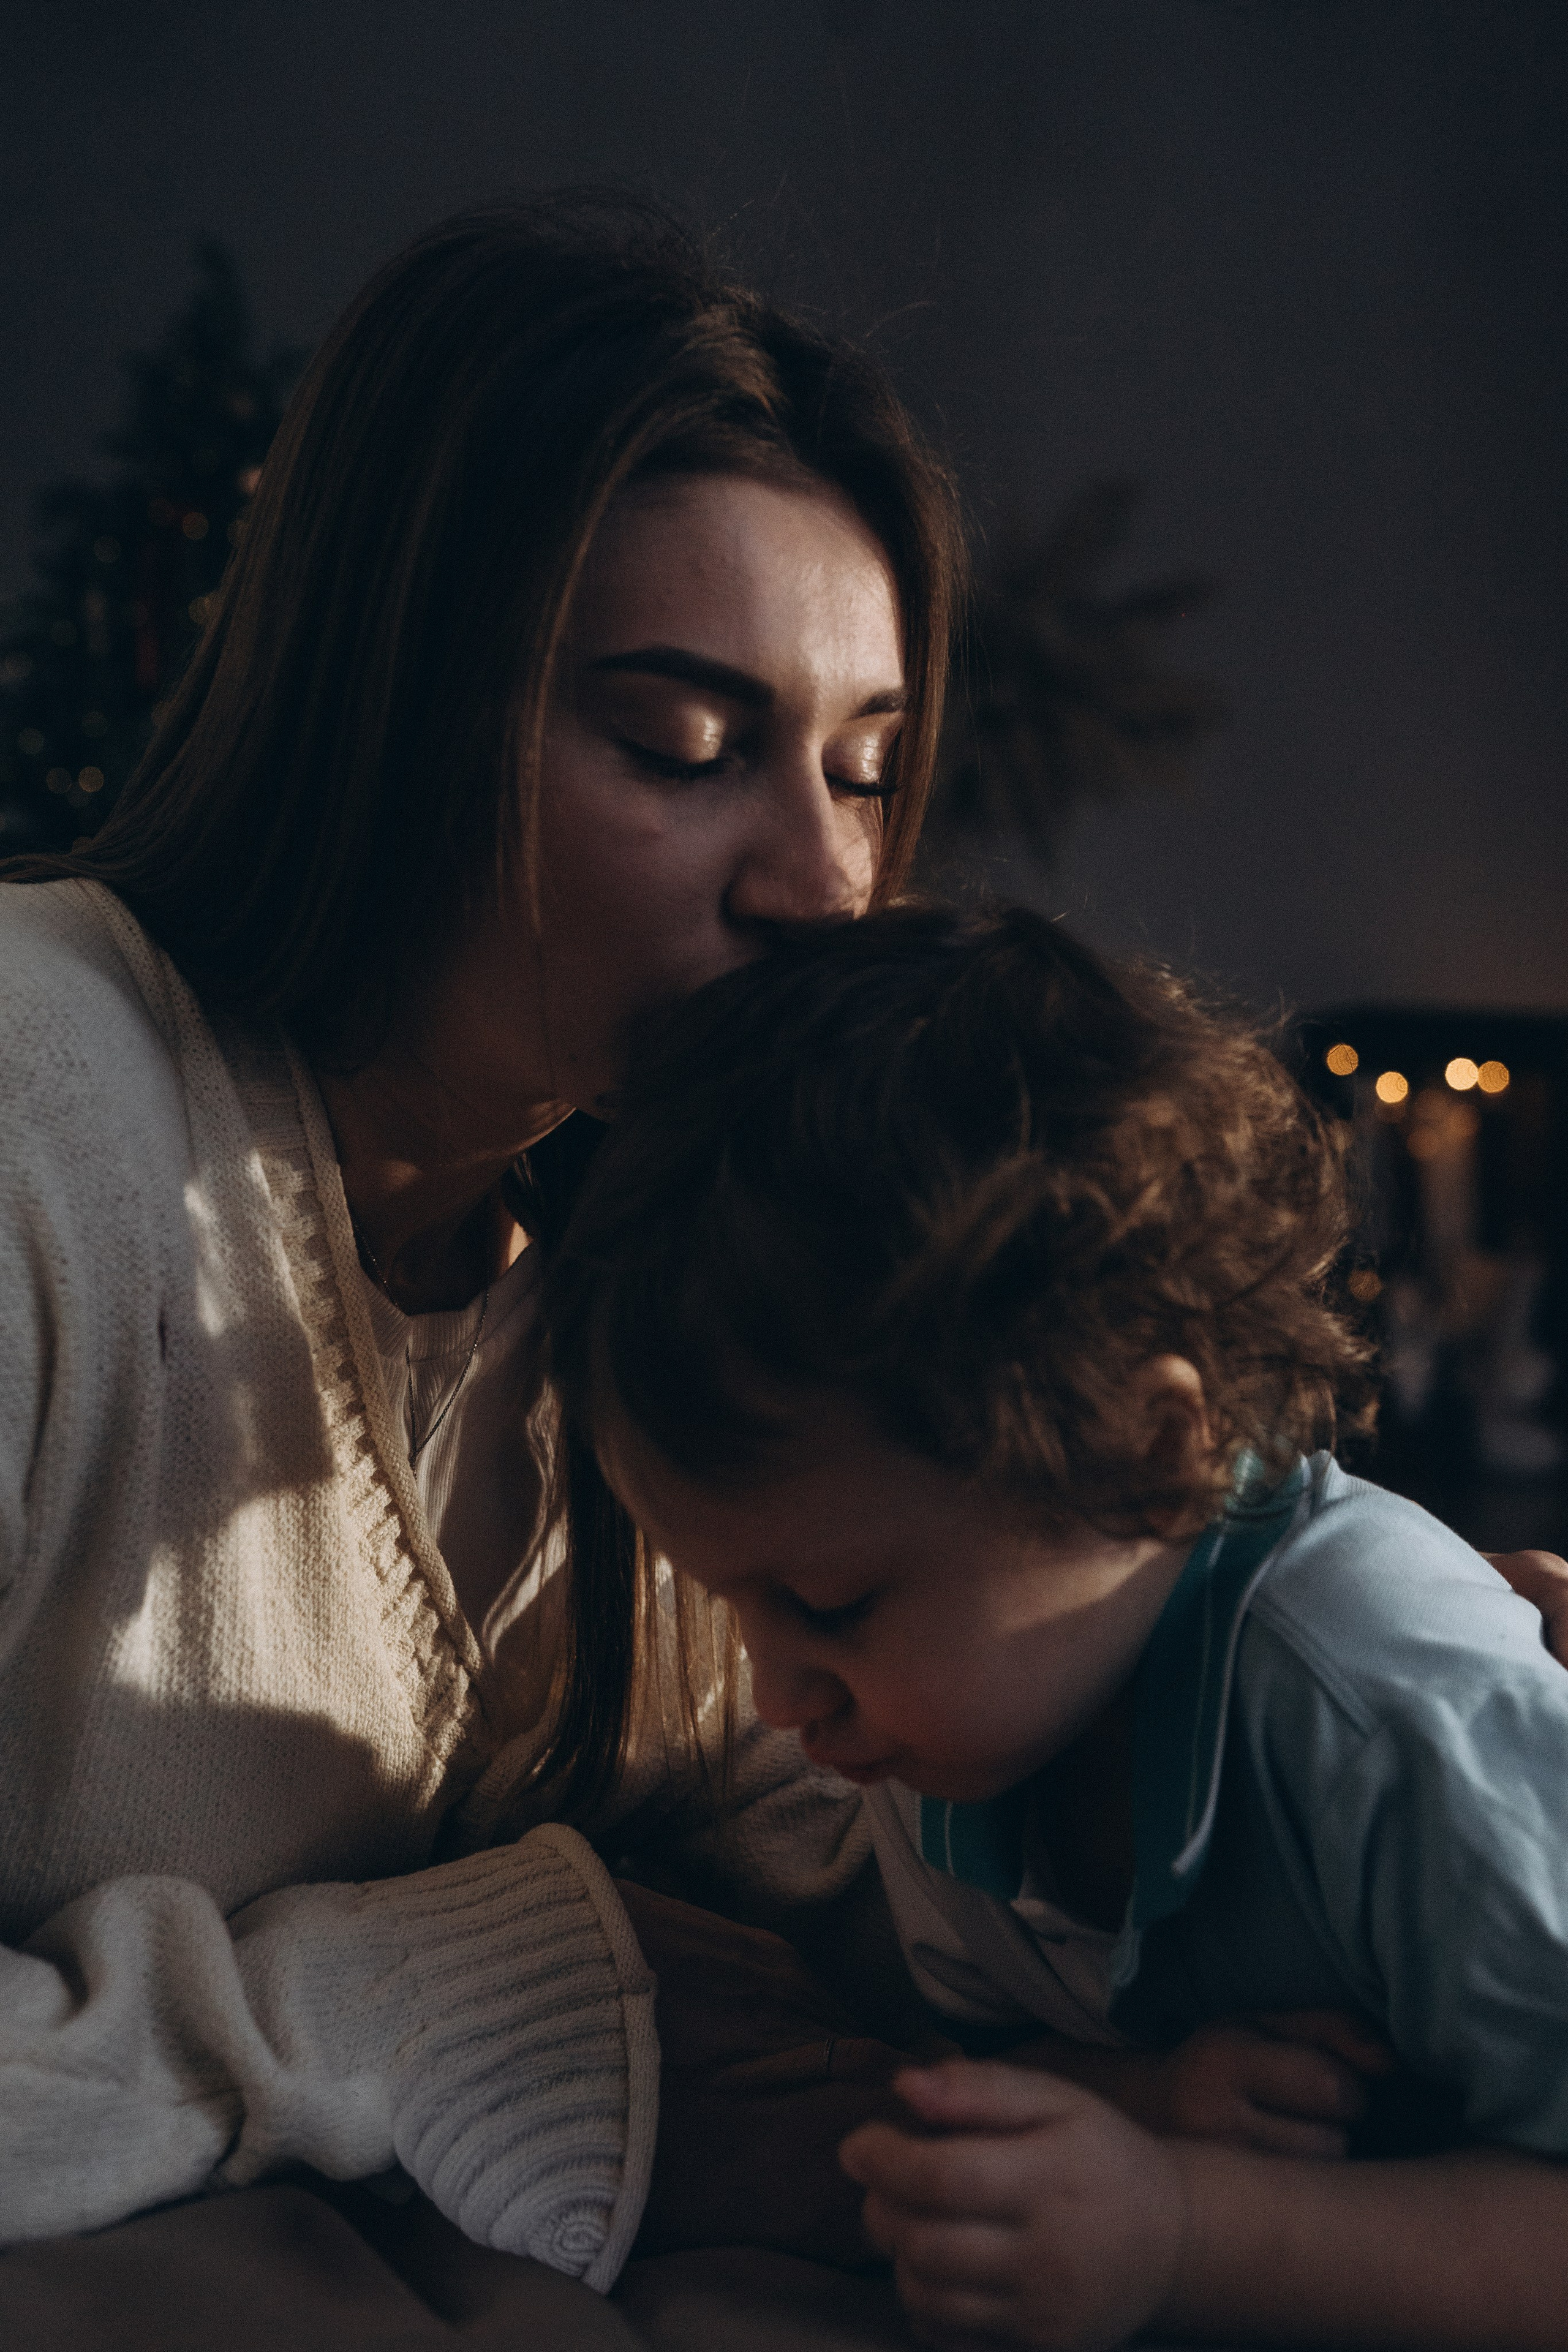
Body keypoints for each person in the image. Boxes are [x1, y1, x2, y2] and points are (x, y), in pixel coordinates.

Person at [0, 197, 965, 2295]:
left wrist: (1303, 1685)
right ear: (400, 690)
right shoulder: (36, 1115)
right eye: (680, 747)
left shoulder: (661, 1261)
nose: (821, 884)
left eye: (870, 776)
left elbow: (862, 1846)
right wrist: (378, 2013)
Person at [547, 900, 1568, 2351]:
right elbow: (984, 2053)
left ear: (1146, 1454)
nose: (779, 1700)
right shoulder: (950, 1741)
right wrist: (1140, 2106)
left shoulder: (1386, 1706)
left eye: (829, 1606)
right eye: (730, 1603)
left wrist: (1189, 2226)